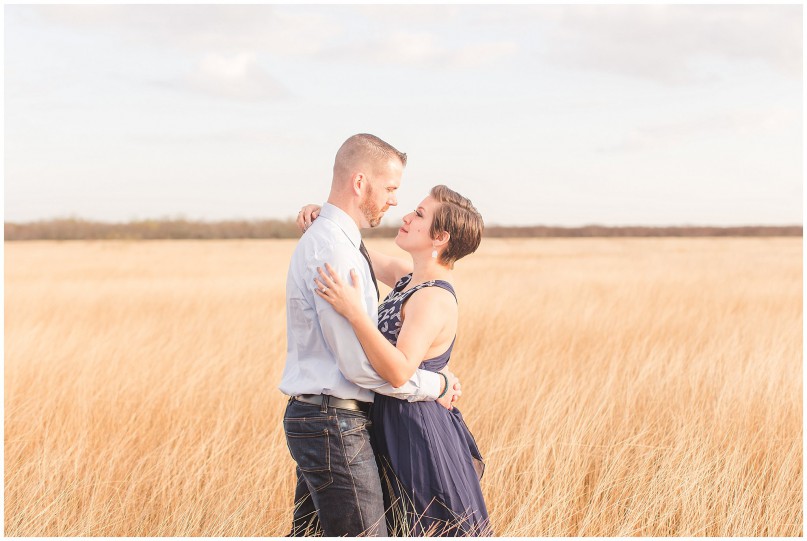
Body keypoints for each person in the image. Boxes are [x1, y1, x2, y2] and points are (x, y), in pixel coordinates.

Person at [279, 134, 461, 537]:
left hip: (331, 417)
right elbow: (359, 367)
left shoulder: (340, 243)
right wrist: (436, 383)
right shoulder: (335, 251)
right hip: (333, 419)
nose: (397, 203)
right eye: (392, 189)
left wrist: (321, 213)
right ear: (360, 184)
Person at [302, 184, 491, 536]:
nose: (406, 216)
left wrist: (355, 314)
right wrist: (324, 218)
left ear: (440, 237)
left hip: (416, 429)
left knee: (422, 524)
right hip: (393, 419)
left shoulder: (432, 299)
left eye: (419, 214)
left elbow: (400, 371)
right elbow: (353, 252)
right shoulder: (409, 278)